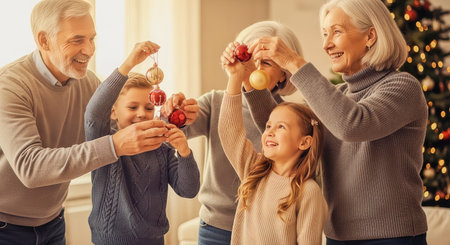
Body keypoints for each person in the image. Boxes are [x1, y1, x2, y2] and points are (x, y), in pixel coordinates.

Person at [245, 0, 429, 244]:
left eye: (336, 31)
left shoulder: (403, 87)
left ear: (370, 36)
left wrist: (293, 62)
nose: (326, 44)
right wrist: (247, 78)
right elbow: (286, 133)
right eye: (324, 34)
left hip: (393, 237)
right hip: (337, 237)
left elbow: (353, 124)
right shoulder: (337, 96)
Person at [0, 0, 168, 244]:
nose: (89, 50)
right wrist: (114, 146)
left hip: (54, 222)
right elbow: (30, 167)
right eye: (77, 40)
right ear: (44, 41)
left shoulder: (88, 83)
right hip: (6, 228)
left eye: (92, 39)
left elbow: (120, 130)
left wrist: (171, 118)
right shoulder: (10, 86)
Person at [161, 20, 303, 245]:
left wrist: (245, 82)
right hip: (216, 227)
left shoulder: (291, 117)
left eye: (265, 62)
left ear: (283, 75)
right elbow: (170, 138)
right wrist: (171, 113)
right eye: (248, 60)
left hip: (266, 229)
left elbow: (271, 125)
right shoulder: (215, 102)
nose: (253, 70)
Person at [84, 41, 201, 245]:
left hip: (154, 240)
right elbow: (94, 112)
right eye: (132, 107)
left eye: (148, 108)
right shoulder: (103, 140)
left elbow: (189, 190)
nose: (141, 114)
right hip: (109, 241)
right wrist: (128, 64)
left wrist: (184, 151)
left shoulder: (162, 147)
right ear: (113, 112)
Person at [218, 42, 328, 243]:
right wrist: (235, 77)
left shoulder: (308, 192)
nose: (269, 132)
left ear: (304, 142)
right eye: (268, 126)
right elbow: (229, 132)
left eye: (281, 127)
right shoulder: (254, 171)